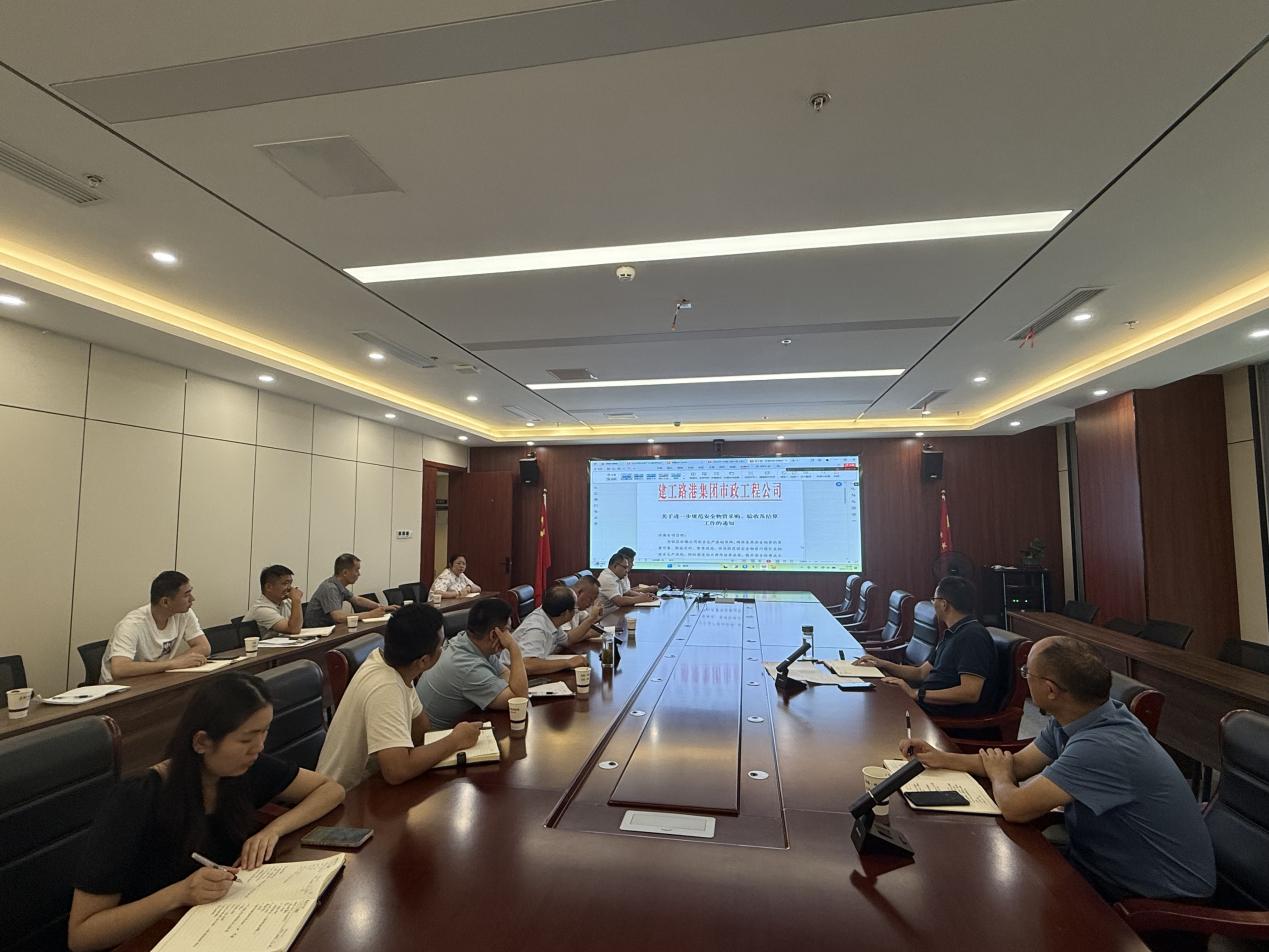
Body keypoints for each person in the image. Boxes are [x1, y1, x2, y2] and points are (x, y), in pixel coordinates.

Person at [899, 636, 1215, 903]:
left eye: (1027, 673)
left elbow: (1015, 806)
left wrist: (999, 776)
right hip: (1100, 865)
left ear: (1050, 689)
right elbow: (1019, 765)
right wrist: (942, 758)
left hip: (1151, 896)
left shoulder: (1103, 745)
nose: (1023, 677)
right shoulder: (1078, 717)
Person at [67, 674, 345, 952]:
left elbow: (330, 789)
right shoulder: (135, 799)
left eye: (264, 731)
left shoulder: (243, 768)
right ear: (201, 742)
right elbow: (82, 935)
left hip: (224, 927)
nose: (259, 747)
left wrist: (273, 830)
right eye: (247, 738)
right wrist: (179, 894)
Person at [317, 604, 481, 789]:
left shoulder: (393, 665)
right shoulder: (385, 686)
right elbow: (396, 771)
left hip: (372, 785)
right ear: (424, 661)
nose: (443, 650)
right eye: (441, 645)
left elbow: (421, 728)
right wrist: (455, 740)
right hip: (346, 796)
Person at [855, 575, 996, 716]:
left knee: (870, 710)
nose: (933, 604)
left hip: (940, 716)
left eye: (934, 599)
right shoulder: (953, 633)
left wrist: (916, 693)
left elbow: (970, 693)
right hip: (925, 705)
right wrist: (882, 664)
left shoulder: (972, 637)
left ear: (944, 604)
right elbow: (921, 673)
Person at [416, 597, 527, 730]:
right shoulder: (467, 666)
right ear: (494, 635)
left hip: (459, 725)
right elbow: (519, 700)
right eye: (508, 631)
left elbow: (504, 673)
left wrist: (509, 689)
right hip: (436, 737)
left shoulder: (468, 642)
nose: (509, 636)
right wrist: (514, 649)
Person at [101, 571, 211, 683]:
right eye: (186, 595)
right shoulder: (132, 625)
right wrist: (173, 664)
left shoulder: (184, 614)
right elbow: (119, 669)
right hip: (119, 687)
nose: (192, 599)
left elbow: (204, 647)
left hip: (158, 678)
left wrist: (178, 662)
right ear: (165, 602)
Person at [508, 585, 590, 674]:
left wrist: (591, 621)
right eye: (575, 608)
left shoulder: (551, 618)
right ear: (566, 613)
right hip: (510, 675)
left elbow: (567, 640)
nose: (576, 611)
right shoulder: (537, 629)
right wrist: (568, 663)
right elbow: (527, 665)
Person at [304, 553, 395, 627]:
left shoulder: (338, 585)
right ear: (345, 572)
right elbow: (338, 617)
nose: (359, 574)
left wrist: (381, 607)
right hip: (317, 635)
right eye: (356, 570)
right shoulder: (330, 588)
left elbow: (357, 600)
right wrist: (370, 615)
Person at [245, 564, 305, 635]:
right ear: (268, 587)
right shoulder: (261, 609)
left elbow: (298, 626)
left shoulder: (286, 602)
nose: (290, 588)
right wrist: (296, 600)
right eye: (285, 583)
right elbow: (294, 629)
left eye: (290, 583)